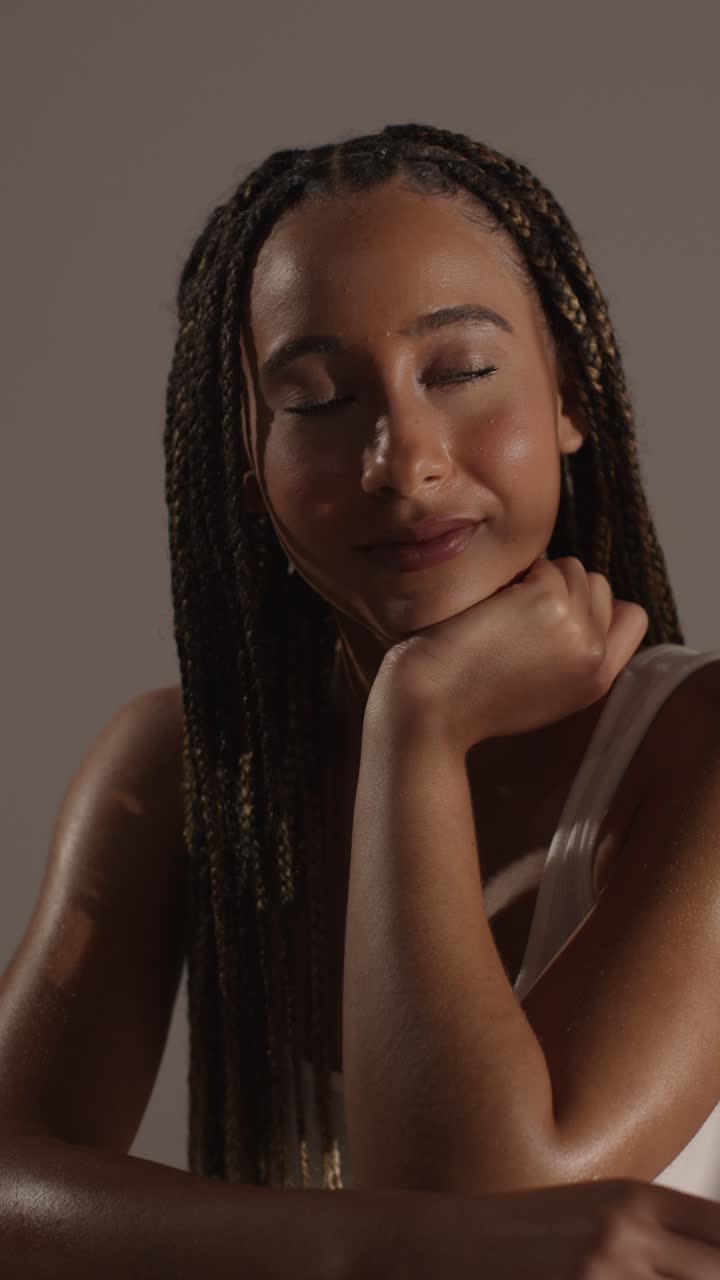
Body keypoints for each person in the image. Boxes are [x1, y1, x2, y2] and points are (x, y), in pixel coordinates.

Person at [2, 122, 720, 1277]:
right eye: (319, 397)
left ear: (573, 395)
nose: (403, 455)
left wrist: (418, 728)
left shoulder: (696, 747)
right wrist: (371, 1244)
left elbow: (480, 1192)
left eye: (461, 371)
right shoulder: (178, 771)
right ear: (248, 453)